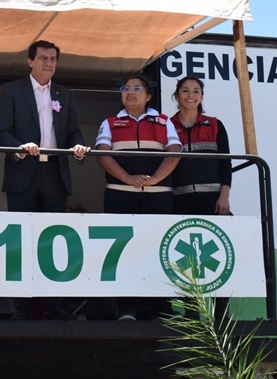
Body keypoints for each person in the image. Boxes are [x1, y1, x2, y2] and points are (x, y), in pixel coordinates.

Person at [0, 40, 90, 320]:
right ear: (30, 61)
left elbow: (73, 131)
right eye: (43, 58)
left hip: (55, 174)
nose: (49, 63)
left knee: (53, 241)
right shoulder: (12, 90)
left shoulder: (64, 94)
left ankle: (54, 306)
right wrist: (20, 147)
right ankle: (22, 308)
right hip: (23, 172)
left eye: (53, 59)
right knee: (21, 240)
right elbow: (2, 133)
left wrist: (79, 146)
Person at [95, 74, 181, 321]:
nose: (130, 92)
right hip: (120, 195)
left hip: (158, 196)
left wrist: (155, 179)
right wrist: (127, 178)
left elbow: (175, 152)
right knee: (124, 253)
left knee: (160, 251)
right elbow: (102, 155)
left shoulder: (163, 120)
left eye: (136, 88)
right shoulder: (110, 122)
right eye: (125, 88)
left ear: (148, 96)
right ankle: (127, 309)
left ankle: (162, 308)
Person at [170, 76, 232, 320]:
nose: (191, 95)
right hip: (179, 201)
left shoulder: (215, 124)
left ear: (202, 96)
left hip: (212, 201)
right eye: (185, 90)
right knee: (184, 260)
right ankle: (191, 311)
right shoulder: (167, 125)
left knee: (219, 256)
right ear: (176, 95)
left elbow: (225, 163)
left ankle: (221, 312)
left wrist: (224, 196)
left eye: (196, 91)